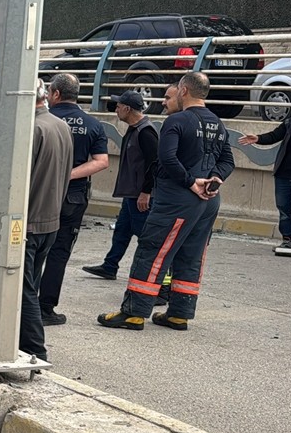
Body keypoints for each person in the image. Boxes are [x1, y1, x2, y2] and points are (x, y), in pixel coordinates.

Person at [98, 71, 235, 331]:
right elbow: (228, 161)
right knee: (192, 254)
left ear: (184, 90)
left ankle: (133, 313)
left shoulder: (177, 121)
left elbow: (167, 159)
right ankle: (179, 314)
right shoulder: (218, 123)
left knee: (153, 250)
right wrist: (212, 181)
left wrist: (191, 183)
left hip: (177, 199)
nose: (164, 101)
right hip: (208, 202)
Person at [38, 73, 110, 326]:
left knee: (31, 248)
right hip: (73, 196)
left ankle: (22, 304)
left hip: (40, 193)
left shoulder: (43, 120)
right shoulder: (92, 124)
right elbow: (101, 161)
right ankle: (45, 308)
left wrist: (56, 174)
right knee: (59, 253)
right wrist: (69, 175)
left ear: (56, 94)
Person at [22, 78, 74, 362]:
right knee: (30, 285)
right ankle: (21, 343)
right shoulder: (60, 125)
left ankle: (33, 350)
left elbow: (18, 182)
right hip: (50, 220)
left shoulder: (32, 129)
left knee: (23, 289)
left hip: (27, 222)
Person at [81, 90, 158, 280]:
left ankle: (149, 275)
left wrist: (146, 192)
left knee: (145, 236)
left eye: (118, 106)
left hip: (139, 195)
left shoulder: (146, 132)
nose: (116, 109)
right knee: (122, 231)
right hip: (130, 193)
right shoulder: (135, 129)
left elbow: (155, 164)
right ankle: (110, 266)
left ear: (127, 108)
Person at [237, 93, 291, 255]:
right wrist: (257, 138)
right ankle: (288, 240)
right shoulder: (290, 123)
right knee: (284, 208)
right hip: (284, 175)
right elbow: (274, 136)